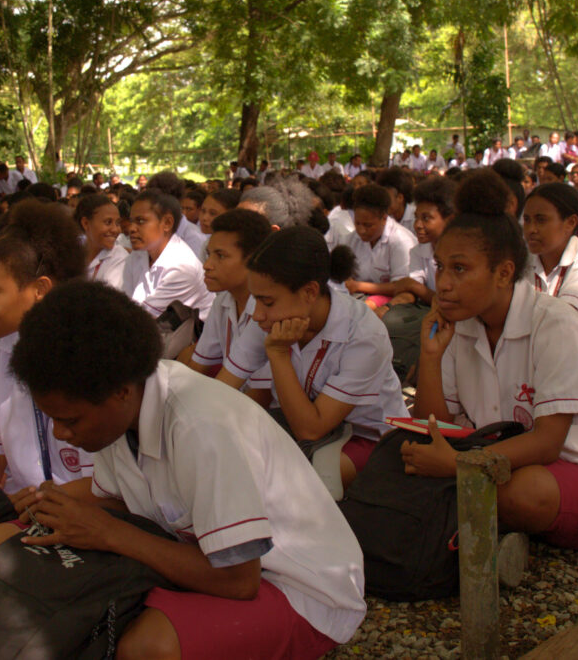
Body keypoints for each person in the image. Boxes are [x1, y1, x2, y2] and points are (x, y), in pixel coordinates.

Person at [0, 281, 366, 658]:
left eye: (70, 421)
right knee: (34, 565)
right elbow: (121, 500)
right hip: (210, 557)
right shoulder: (117, 410)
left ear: (120, 392)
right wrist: (48, 504)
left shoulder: (199, 425)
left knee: (145, 646)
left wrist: (105, 532)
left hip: (298, 588)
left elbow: (240, 580)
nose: (61, 433)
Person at [402, 211, 578, 550]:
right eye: (441, 267)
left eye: (459, 269)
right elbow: (432, 427)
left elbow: (548, 442)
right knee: (407, 457)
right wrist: (430, 357)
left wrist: (457, 465)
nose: (444, 283)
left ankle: (476, 535)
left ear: (504, 273)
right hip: (497, 462)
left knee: (522, 492)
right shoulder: (459, 324)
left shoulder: (554, 323)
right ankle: (488, 537)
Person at [218, 227, 408, 485]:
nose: (257, 314)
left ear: (309, 292)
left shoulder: (364, 335)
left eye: (268, 302)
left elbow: (310, 429)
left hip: (367, 435)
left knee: (303, 479)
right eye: (255, 300)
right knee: (228, 452)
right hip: (298, 422)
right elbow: (221, 390)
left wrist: (277, 353)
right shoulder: (266, 316)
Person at [0, 201, 91, 501]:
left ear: (40, 290)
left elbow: (113, 487)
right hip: (25, 507)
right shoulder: (3, 347)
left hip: (83, 517)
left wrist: (37, 500)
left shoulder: (87, 355)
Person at [379, 175, 456, 382]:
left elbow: (417, 288)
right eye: (417, 217)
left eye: (427, 218)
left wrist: (415, 287)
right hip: (431, 311)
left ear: (448, 219)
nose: (418, 225)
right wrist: (388, 307)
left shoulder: (459, 254)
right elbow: (410, 292)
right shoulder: (419, 251)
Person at [182, 210, 272, 374]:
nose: (207, 265)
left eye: (221, 256)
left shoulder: (269, 311)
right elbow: (198, 366)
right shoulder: (223, 301)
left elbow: (259, 395)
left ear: (254, 259)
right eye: (209, 254)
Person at [522, 183, 578, 340]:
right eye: (527, 220)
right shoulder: (522, 260)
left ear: (570, 223)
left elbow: (567, 322)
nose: (531, 229)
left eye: (541, 220)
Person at [121, 189, 214, 322]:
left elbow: (141, 320)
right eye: (132, 221)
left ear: (167, 223)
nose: (131, 228)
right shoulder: (138, 255)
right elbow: (126, 303)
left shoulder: (182, 267)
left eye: (141, 221)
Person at [342, 183, 419, 309]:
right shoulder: (351, 239)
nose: (361, 230)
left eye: (368, 225)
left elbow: (402, 287)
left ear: (384, 218)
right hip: (357, 298)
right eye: (357, 223)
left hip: (393, 302)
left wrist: (358, 286)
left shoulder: (401, 242)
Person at [76, 194, 127, 291]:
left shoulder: (120, 259)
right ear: (86, 223)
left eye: (117, 223)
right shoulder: (73, 251)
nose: (116, 230)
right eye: (108, 222)